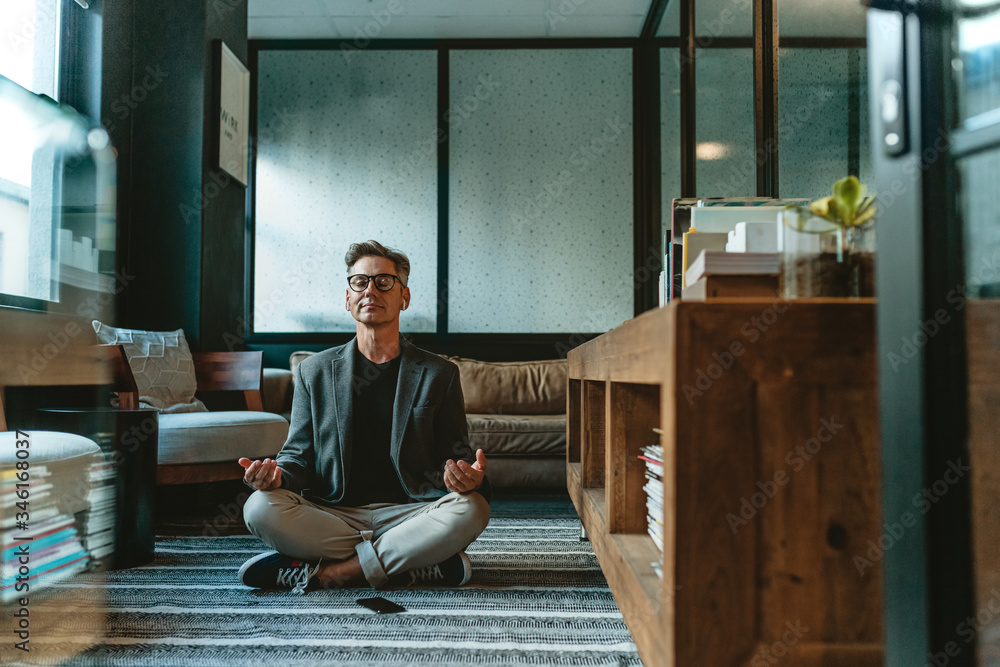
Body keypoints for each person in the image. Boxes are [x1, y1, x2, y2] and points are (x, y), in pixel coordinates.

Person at [236, 240, 491, 594]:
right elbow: (297, 456)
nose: (370, 289)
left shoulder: (439, 373)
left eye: (383, 281)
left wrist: (468, 479)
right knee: (259, 507)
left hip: (410, 513)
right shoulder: (314, 371)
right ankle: (415, 562)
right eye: (360, 282)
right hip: (333, 515)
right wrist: (276, 477)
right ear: (348, 298)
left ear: (404, 297)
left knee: (473, 509)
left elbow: (456, 456)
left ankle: (331, 573)